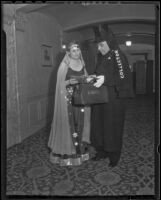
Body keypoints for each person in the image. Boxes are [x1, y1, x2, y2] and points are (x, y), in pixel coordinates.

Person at [90, 24, 134, 167]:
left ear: (109, 43)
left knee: (112, 127)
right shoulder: (101, 57)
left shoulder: (118, 55)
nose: (99, 48)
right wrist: (94, 77)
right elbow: (100, 74)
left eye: (101, 45)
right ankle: (101, 151)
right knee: (99, 126)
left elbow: (124, 78)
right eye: (98, 45)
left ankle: (114, 156)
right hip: (100, 99)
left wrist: (106, 79)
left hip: (114, 101)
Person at [48, 41, 91, 166]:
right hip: (68, 101)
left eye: (78, 50)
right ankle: (69, 152)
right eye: (73, 50)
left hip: (81, 100)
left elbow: (86, 79)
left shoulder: (82, 63)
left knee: (80, 123)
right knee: (70, 124)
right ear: (68, 52)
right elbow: (59, 84)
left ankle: (80, 150)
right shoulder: (64, 65)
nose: (76, 52)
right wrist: (68, 83)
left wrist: (91, 79)